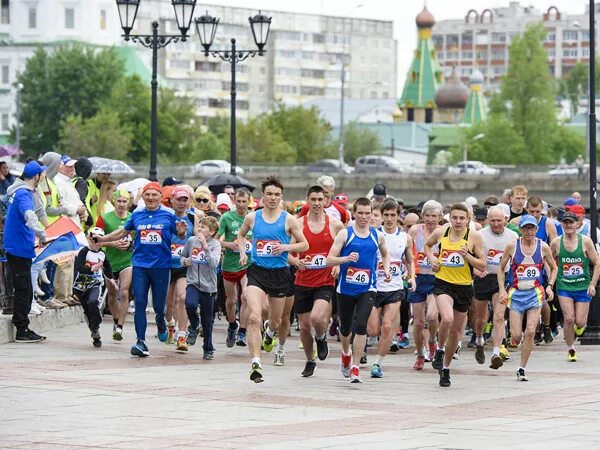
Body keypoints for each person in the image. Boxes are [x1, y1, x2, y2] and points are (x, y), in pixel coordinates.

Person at [95, 182, 187, 357]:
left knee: (159, 307)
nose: (151, 198)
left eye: (154, 195)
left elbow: (180, 233)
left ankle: (161, 322)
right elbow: (123, 232)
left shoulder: (168, 215)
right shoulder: (137, 214)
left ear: (160, 197)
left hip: (161, 266)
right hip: (140, 265)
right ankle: (141, 342)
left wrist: (181, 232)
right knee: (140, 303)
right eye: (147, 195)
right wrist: (103, 238)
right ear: (143, 197)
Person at [237, 176, 308, 383]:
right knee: (253, 317)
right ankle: (256, 363)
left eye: (277, 194)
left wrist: (285, 248)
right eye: (269, 194)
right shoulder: (253, 217)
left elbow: (304, 245)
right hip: (257, 271)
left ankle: (270, 332)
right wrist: (243, 252)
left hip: (280, 274)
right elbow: (241, 236)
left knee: (276, 321)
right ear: (262, 196)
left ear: (281, 197)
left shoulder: (288, 219)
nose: (273, 198)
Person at [327, 197, 391, 384]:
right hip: (345, 288)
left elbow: (385, 255)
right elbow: (329, 258)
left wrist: (385, 269)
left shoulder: (377, 235)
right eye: (360, 213)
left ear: (372, 214)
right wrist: (345, 259)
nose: (364, 217)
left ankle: (355, 367)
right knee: (345, 329)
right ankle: (346, 354)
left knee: (361, 325)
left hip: (368, 288)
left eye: (367, 213)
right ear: (354, 213)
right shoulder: (345, 234)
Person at [425, 203, 486, 387]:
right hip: (443, 284)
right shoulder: (441, 232)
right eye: (455, 218)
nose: (458, 221)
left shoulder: (474, 237)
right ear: (449, 218)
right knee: (447, 318)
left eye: (462, 218)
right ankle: (439, 349)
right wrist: (433, 259)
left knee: (456, 333)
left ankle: (445, 368)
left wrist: (468, 256)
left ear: (468, 219)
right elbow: (428, 246)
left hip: (464, 287)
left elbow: (482, 265)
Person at [289, 185, 344, 377]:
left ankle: (321, 337)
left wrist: (337, 265)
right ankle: (309, 360)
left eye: (321, 200)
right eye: (313, 199)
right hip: (303, 280)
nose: (317, 203)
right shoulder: (297, 223)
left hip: (325, 280)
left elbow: (343, 249)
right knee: (304, 327)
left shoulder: (335, 224)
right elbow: (284, 251)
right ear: (307, 200)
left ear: (326, 201)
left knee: (316, 318)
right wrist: (295, 261)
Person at [497, 215, 557, 381]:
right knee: (517, 336)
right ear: (521, 229)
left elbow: (554, 268)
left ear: (537, 229)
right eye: (525, 228)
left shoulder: (543, 247)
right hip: (516, 293)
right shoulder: (512, 246)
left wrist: (550, 285)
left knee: (530, 331)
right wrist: (502, 290)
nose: (529, 231)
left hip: (535, 293)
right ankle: (512, 335)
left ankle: (522, 368)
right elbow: (501, 269)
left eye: (532, 228)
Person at [368, 199, 415, 378]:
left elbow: (410, 260)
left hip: (395, 287)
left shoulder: (405, 237)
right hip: (374, 286)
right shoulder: (374, 234)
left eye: (392, 215)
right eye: (386, 215)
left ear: (398, 216)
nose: (389, 219)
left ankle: (377, 364)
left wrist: (411, 276)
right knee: (373, 330)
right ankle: (367, 344)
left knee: (387, 326)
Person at [4, 161, 48, 341]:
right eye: (41, 175)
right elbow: (29, 216)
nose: (42, 178)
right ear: (36, 176)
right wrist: (42, 234)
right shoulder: (23, 194)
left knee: (25, 289)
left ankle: (22, 326)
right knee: (24, 290)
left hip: (19, 246)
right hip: (19, 248)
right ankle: (22, 330)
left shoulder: (19, 191)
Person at [550, 212, 600, 362]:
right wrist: (551, 279)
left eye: (571, 222)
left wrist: (593, 284)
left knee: (580, 322)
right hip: (564, 286)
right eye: (565, 222)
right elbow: (548, 260)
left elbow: (597, 263)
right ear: (562, 225)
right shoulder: (556, 243)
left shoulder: (585, 241)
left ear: (577, 224)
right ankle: (570, 349)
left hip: (583, 286)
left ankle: (579, 328)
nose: (568, 225)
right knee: (569, 319)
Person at [473, 206, 518, 369]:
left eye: (499, 220)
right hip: (484, 277)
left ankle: (496, 352)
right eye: (493, 220)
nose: (496, 224)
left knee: (499, 316)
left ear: (505, 220)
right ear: (487, 220)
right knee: (480, 319)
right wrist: (475, 270)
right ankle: (479, 339)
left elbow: (517, 259)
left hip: (502, 279)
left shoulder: (513, 236)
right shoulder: (480, 235)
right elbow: (471, 257)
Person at [408, 200, 442, 368]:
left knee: (432, 316)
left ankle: (433, 342)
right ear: (422, 216)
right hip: (419, 278)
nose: (430, 219)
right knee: (419, 322)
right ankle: (420, 354)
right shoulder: (415, 230)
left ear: (440, 217)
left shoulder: (444, 232)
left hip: (436, 279)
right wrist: (409, 272)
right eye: (427, 216)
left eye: (434, 216)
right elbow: (408, 252)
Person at [181, 216, 221, 357]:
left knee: (207, 320)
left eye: (203, 227)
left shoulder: (215, 244)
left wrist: (205, 247)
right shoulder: (191, 241)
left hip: (209, 286)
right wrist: (184, 261)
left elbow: (214, 264)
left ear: (211, 231)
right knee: (190, 304)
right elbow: (183, 256)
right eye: (199, 226)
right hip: (193, 282)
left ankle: (208, 348)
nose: (199, 229)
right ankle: (194, 325)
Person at [96, 189, 133, 341]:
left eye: (125, 201)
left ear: (129, 203)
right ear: (114, 202)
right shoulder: (104, 219)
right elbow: (96, 240)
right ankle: (116, 320)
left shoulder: (133, 218)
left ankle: (120, 327)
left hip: (127, 260)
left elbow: (138, 239)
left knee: (124, 292)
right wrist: (114, 244)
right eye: (119, 201)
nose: (122, 204)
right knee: (112, 295)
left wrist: (132, 245)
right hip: (110, 261)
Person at [217, 188, 252, 348]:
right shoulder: (226, 217)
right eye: (238, 201)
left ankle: (242, 332)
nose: (241, 205)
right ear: (234, 201)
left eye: (244, 201)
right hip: (230, 265)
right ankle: (232, 325)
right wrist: (228, 244)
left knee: (245, 296)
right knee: (230, 301)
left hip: (248, 264)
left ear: (249, 202)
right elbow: (215, 239)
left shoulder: (254, 218)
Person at [73, 227, 118, 348]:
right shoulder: (83, 252)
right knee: (87, 309)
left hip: (96, 283)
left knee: (93, 302)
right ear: (88, 239)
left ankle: (96, 327)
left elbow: (107, 268)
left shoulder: (102, 254)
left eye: (98, 240)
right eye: (93, 239)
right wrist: (92, 268)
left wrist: (112, 279)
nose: (95, 242)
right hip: (81, 285)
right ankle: (94, 330)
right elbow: (79, 268)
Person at [165, 187, 194, 348]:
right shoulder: (166, 217)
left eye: (185, 200)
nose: (182, 203)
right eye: (179, 200)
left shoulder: (193, 218)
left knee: (182, 298)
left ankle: (182, 335)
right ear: (172, 201)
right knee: (167, 304)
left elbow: (199, 237)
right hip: (167, 265)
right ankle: (170, 324)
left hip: (183, 265)